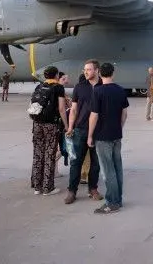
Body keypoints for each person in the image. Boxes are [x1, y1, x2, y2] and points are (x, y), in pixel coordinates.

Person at [88, 63, 129, 213]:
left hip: (102, 135)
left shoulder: (97, 91)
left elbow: (94, 115)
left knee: (108, 170)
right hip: (116, 134)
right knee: (117, 167)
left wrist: (90, 135)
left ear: (99, 73)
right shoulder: (120, 90)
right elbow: (124, 113)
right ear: (113, 73)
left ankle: (112, 202)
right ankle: (118, 199)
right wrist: (120, 127)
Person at [64, 60, 103, 204]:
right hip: (80, 130)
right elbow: (73, 110)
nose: (86, 72)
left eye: (89, 69)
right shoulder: (79, 87)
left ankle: (93, 189)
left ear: (97, 70)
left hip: (99, 131)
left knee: (96, 163)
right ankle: (72, 191)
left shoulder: (103, 86)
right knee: (76, 162)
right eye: (84, 69)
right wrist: (70, 127)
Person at [30, 66, 67, 196]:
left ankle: (37, 187)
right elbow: (62, 109)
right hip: (51, 125)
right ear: (56, 75)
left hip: (37, 124)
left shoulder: (39, 87)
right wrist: (67, 126)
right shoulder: (58, 88)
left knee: (38, 154)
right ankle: (48, 188)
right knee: (49, 154)